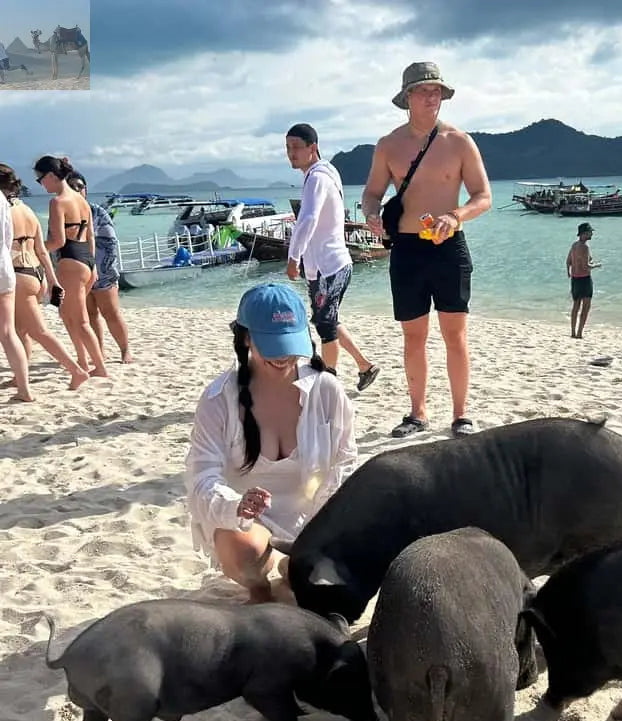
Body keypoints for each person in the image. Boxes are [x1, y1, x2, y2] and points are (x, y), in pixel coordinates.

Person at [185, 283, 357, 605]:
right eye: (272, 345)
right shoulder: (218, 400)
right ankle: (265, 588)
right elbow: (201, 480)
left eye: (289, 343)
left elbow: (345, 465)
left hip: (314, 522)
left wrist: (323, 533)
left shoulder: (327, 390)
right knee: (245, 548)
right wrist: (236, 505)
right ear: (245, 338)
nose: (283, 356)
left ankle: (294, 570)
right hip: (250, 529)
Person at [362, 61, 492, 438]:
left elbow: (483, 196)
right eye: (424, 90)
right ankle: (417, 413)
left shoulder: (459, 142)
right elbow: (372, 193)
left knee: (455, 334)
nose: (432, 96)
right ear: (408, 97)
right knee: (413, 335)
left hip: (449, 247)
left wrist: (455, 215)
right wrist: (371, 215)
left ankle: (461, 415)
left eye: (437, 90)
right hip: (406, 249)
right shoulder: (389, 145)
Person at [285, 123, 379, 392]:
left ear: (312, 148)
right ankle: (365, 366)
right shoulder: (324, 172)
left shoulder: (317, 177)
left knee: (325, 325)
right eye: (288, 148)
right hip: (327, 265)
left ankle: (328, 385)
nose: (291, 153)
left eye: (296, 147)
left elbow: (308, 219)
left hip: (330, 265)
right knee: (326, 319)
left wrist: (293, 257)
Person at [0, 164, 89, 393]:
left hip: (19, 273)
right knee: (20, 330)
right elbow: (41, 250)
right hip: (36, 273)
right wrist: (51, 279)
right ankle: (20, 377)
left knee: (38, 331)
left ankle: (76, 371)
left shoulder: (6, 211)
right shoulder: (28, 211)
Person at [34, 155, 108, 377]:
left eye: (40, 179)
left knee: (80, 320)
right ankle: (83, 361)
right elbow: (90, 236)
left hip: (70, 262)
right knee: (67, 315)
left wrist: (34, 249)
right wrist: (93, 265)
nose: (41, 184)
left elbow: (58, 241)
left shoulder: (58, 202)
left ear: (50, 175)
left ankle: (100, 367)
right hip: (86, 260)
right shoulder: (81, 200)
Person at [67, 171, 133, 363]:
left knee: (111, 312)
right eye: (71, 186)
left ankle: (125, 350)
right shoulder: (62, 212)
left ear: (85, 190)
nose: (76, 190)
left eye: (80, 186)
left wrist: (104, 269)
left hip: (103, 271)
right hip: (77, 272)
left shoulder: (97, 212)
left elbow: (110, 243)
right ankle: (100, 351)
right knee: (90, 314)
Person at [0, 175, 32, 401]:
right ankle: (24, 389)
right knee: (8, 333)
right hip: (5, 268)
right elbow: (8, 238)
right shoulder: (4, 201)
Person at [566, 222, 601, 339]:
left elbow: (568, 262)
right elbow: (586, 267)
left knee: (575, 306)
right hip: (584, 279)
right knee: (586, 307)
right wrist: (596, 265)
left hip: (575, 279)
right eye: (590, 232)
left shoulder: (574, 245)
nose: (592, 234)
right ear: (584, 234)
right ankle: (579, 333)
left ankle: (573, 332)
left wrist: (569, 273)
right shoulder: (585, 247)